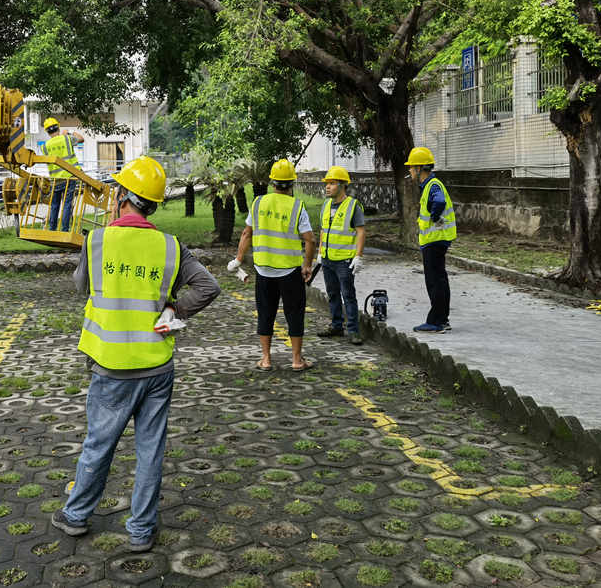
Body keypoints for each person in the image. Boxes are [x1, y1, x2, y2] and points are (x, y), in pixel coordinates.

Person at [52, 156, 220, 552]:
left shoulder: (97, 241)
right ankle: (141, 531)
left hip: (111, 368)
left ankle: (76, 516)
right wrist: (174, 312)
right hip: (157, 368)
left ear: (124, 197)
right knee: (150, 450)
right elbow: (208, 287)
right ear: (153, 204)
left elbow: (81, 288)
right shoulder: (170, 247)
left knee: (99, 444)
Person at [230, 159, 316, 371]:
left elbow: (246, 233)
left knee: (266, 312)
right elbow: (310, 239)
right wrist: (307, 265)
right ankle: (296, 360)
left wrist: (238, 260)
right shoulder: (297, 206)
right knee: (294, 313)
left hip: (264, 270)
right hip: (290, 271)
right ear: (292, 184)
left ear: (272, 183)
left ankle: (266, 359)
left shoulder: (258, 203)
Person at [405, 147, 457, 332]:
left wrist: (435, 217)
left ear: (420, 168)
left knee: (435, 281)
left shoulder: (432, 185)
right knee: (439, 279)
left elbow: (440, 202)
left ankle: (437, 322)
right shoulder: (430, 185)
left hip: (435, 240)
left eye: (411, 167)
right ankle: (442, 319)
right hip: (436, 240)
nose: (410, 171)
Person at [316, 166, 367, 344]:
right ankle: (336, 326)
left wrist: (358, 256)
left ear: (342, 185)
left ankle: (353, 331)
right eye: (327, 184)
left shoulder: (353, 206)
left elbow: (360, 232)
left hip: (345, 261)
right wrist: (320, 252)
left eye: (332, 183)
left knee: (348, 295)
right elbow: (323, 230)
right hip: (328, 259)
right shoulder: (326, 205)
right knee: (332, 294)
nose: (327, 187)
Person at [44, 116, 85, 231]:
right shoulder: (66, 139)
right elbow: (81, 139)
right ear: (58, 127)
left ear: (47, 131)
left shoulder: (45, 146)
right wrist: (69, 132)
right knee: (67, 204)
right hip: (69, 178)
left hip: (55, 180)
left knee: (54, 205)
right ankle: (64, 230)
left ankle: (52, 229)